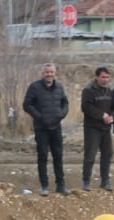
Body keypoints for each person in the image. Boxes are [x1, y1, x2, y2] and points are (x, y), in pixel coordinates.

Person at [22, 63, 70, 196]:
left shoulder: (59, 87)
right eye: (47, 72)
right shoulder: (35, 87)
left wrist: (62, 114)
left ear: (55, 74)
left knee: (58, 156)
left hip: (56, 127)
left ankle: (61, 185)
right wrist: (39, 116)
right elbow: (27, 105)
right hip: (41, 127)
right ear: (43, 73)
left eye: (52, 72)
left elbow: (65, 102)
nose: (49, 75)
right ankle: (44, 186)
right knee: (43, 156)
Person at [80, 66, 114, 192]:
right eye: (103, 77)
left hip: (106, 128)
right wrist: (102, 115)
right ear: (97, 77)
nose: (105, 80)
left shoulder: (109, 91)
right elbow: (86, 107)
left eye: (107, 77)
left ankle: (105, 181)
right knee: (90, 155)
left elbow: (113, 107)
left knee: (107, 154)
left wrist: (112, 117)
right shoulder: (89, 90)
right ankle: (86, 181)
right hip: (92, 128)